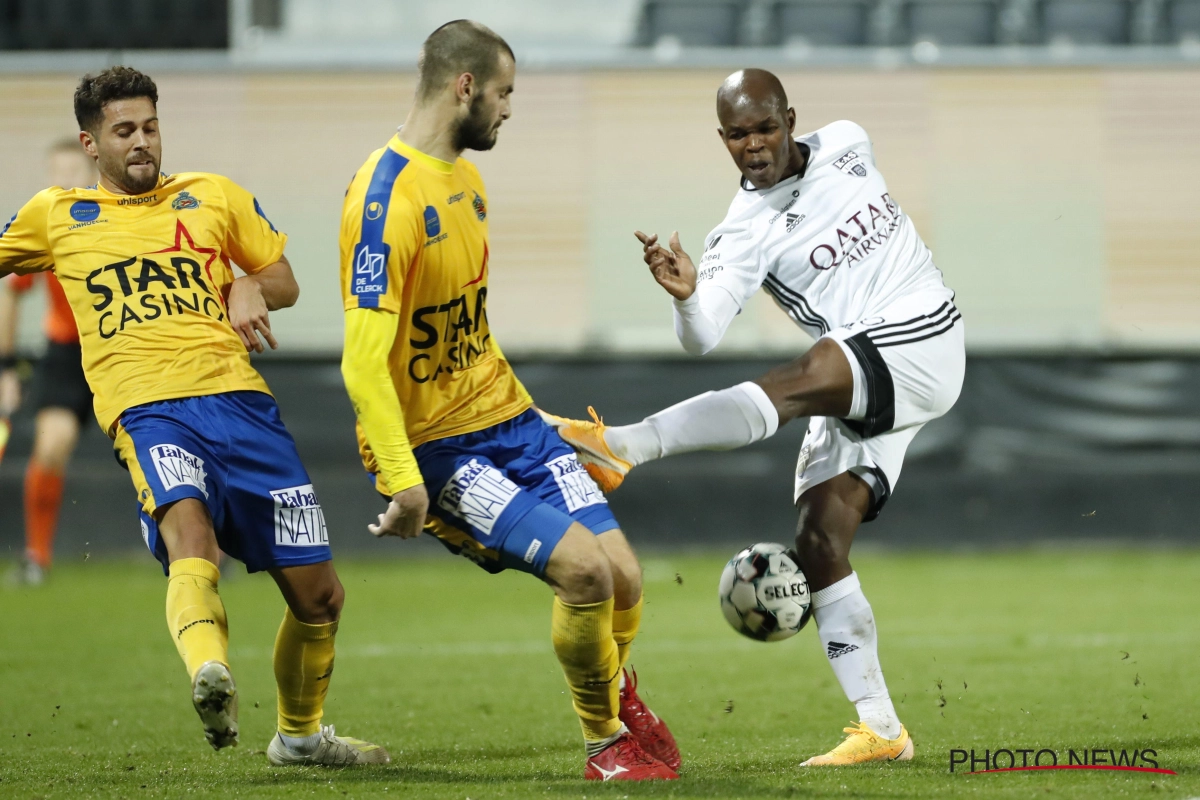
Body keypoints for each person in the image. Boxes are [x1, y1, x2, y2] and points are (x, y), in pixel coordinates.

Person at [545, 68, 965, 767]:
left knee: (803, 374)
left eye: (766, 127)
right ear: (723, 139)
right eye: (738, 134)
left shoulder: (849, 142)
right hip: (864, 370)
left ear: (791, 119)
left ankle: (625, 446)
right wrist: (685, 295)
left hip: (923, 334)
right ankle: (881, 729)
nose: (755, 144)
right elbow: (703, 333)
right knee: (819, 541)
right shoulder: (741, 232)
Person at [0, 66, 386, 767]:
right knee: (191, 535)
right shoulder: (55, 214)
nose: (142, 142)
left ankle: (299, 738)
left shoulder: (212, 194)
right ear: (92, 142)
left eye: (150, 126)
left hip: (244, 406)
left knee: (321, 598)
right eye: (124, 131)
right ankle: (212, 673)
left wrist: (245, 282)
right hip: (147, 408)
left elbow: (285, 279)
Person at [339, 20, 678, 782]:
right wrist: (402, 480)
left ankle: (620, 696)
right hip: (439, 451)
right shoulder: (384, 201)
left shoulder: (466, 179)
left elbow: (469, 334)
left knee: (623, 572)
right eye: (505, 92)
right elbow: (363, 364)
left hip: (509, 421)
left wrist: (542, 419)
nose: (509, 109)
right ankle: (606, 745)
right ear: (466, 87)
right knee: (585, 574)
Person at [0, 139, 96, 586]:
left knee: (160, 453)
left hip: (123, 349)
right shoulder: (43, 227)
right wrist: (6, 369)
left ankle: (207, 552)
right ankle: (37, 557)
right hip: (65, 355)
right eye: (56, 172)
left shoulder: (118, 218)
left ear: (93, 171)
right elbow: (12, 296)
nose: (65, 180)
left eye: (72, 171)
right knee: (51, 446)